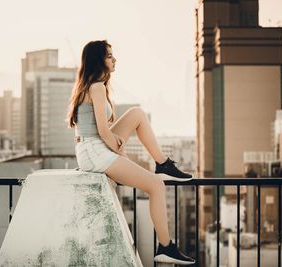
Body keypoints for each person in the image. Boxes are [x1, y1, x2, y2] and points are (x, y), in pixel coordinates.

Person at [66, 40, 195, 265]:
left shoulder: (94, 86)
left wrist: (119, 152)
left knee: (137, 113)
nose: (114, 60)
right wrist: (121, 155)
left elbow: (103, 133)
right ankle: (166, 246)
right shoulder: (96, 87)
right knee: (156, 186)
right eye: (109, 56)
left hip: (91, 148)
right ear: (98, 61)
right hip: (94, 150)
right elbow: (104, 132)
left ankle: (162, 163)